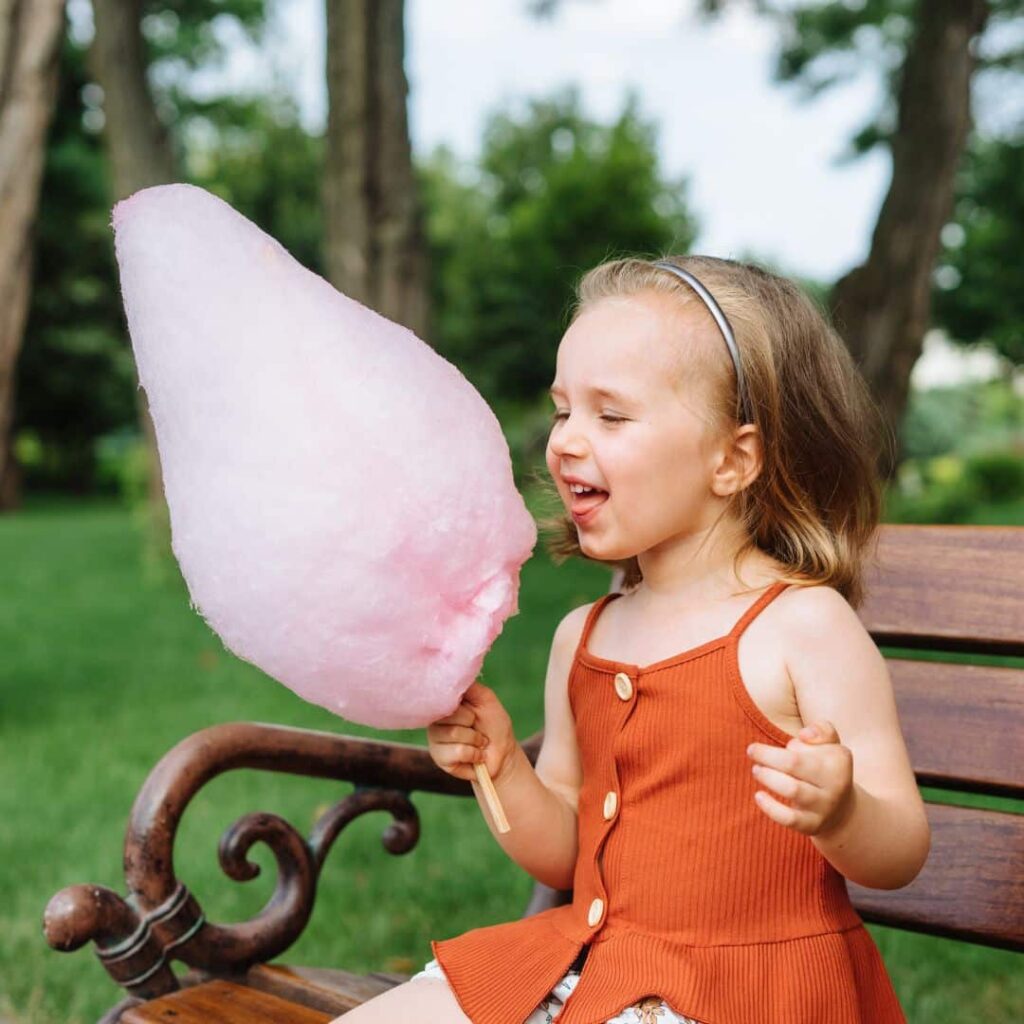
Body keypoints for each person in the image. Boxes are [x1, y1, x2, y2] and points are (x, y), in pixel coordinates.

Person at [330, 254, 930, 1023]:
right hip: (591, 963)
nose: (568, 442)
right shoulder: (585, 634)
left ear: (732, 459)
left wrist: (843, 812)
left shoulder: (801, 627)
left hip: (740, 994)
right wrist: (503, 767)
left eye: (610, 416)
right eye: (562, 410)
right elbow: (566, 853)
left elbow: (902, 848)